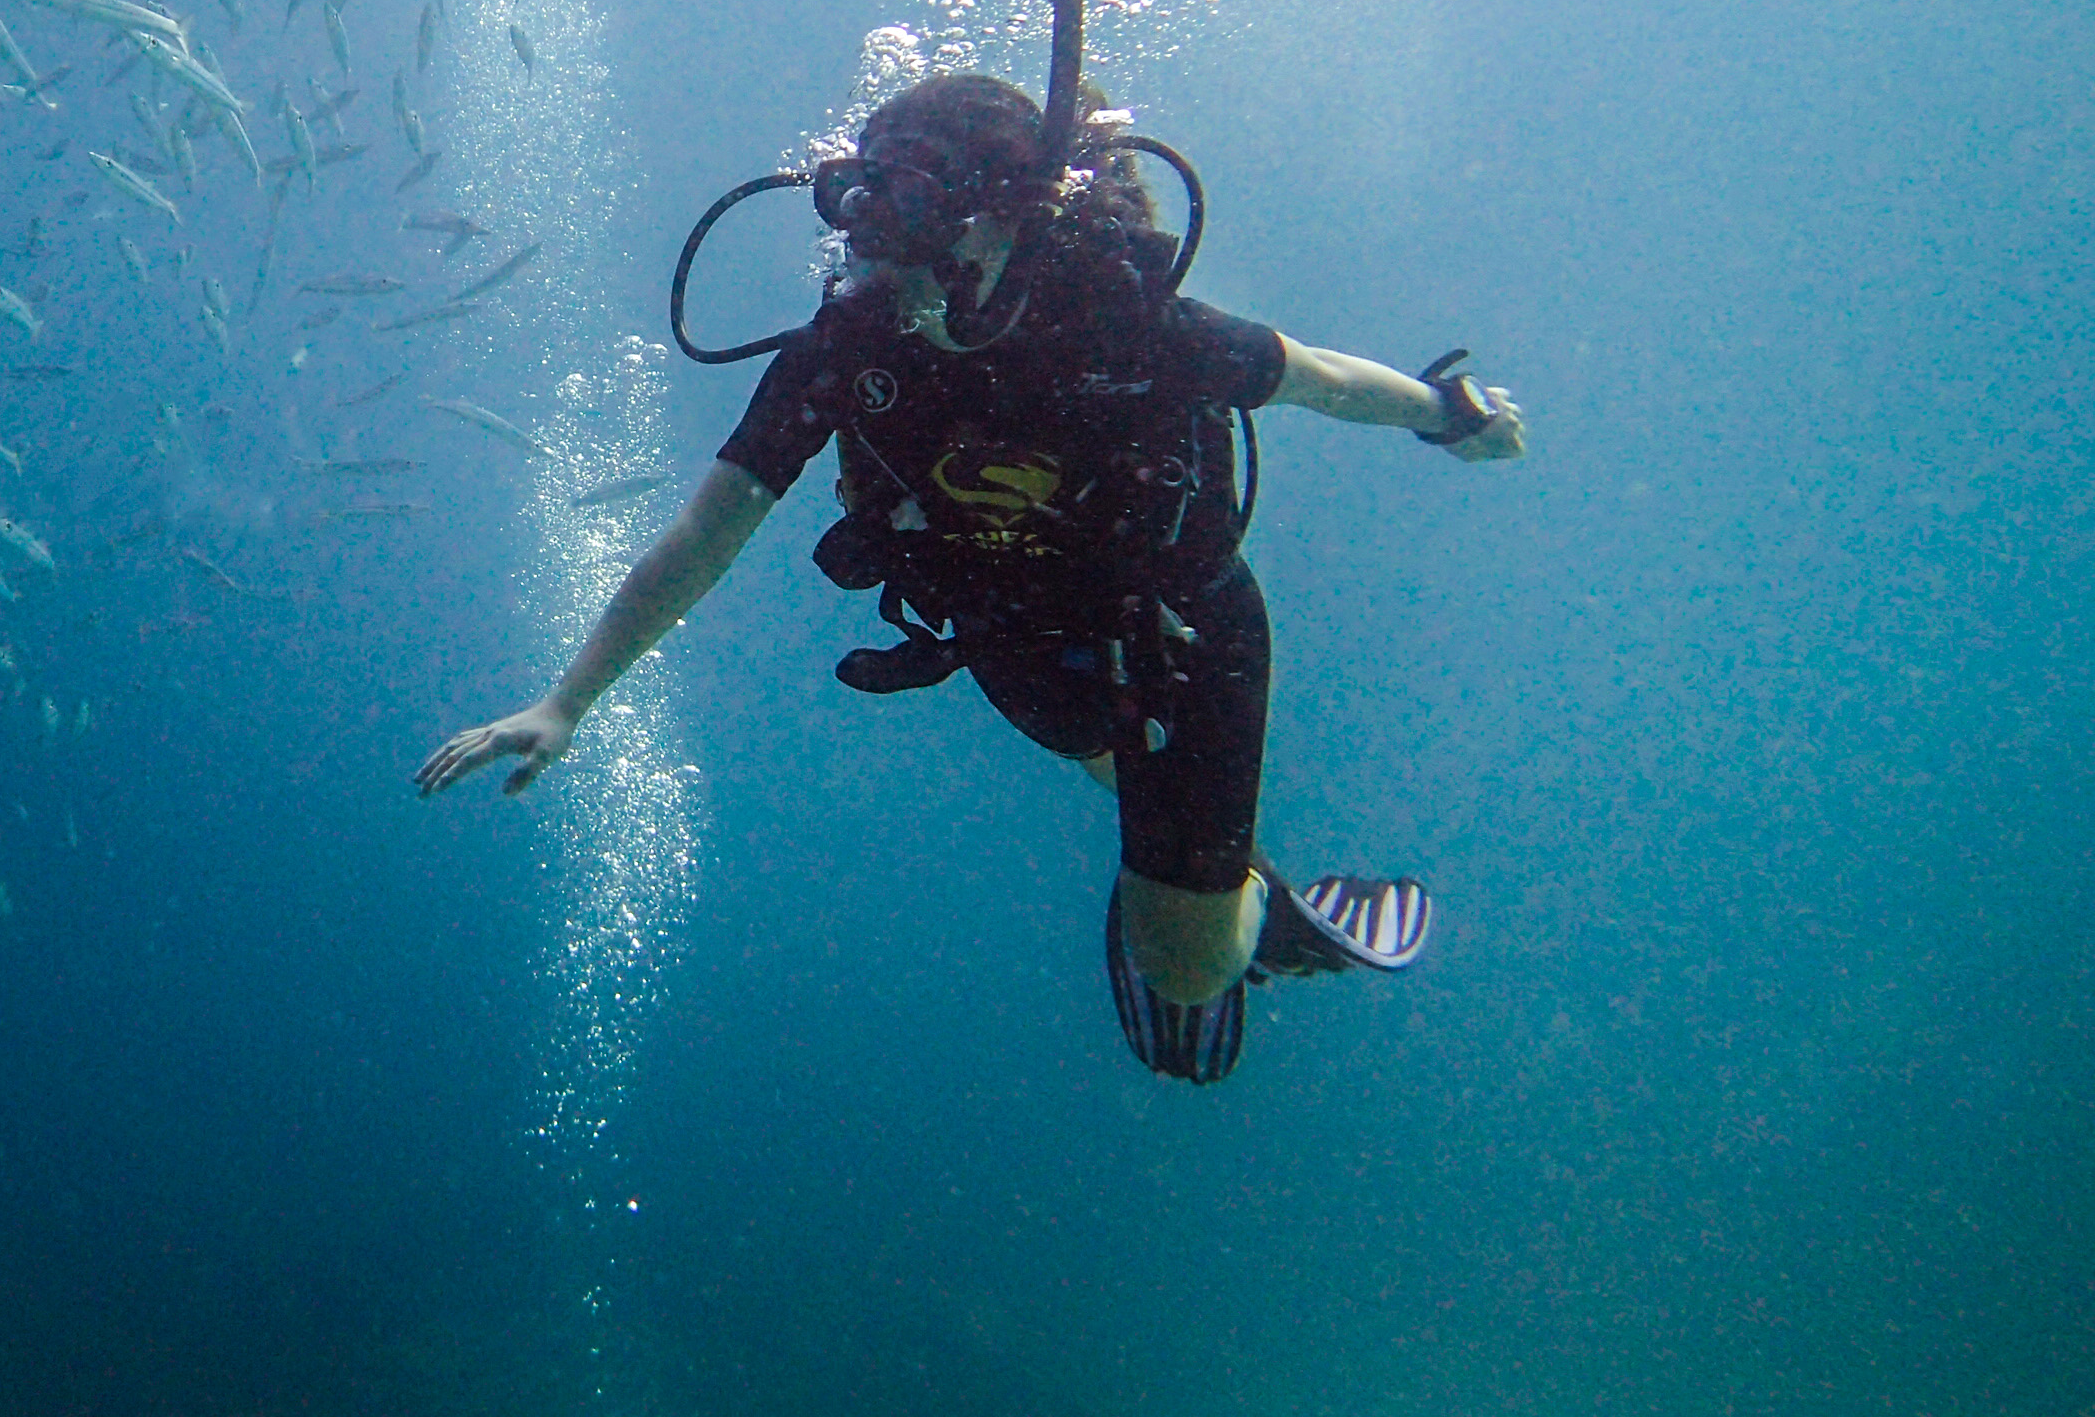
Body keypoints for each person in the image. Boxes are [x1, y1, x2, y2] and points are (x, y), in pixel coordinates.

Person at [417, 63, 1525, 1084]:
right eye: (864, 211)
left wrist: (1447, 411)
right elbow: (706, 535)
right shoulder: (847, 348)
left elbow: (1322, 378)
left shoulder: (1132, 324)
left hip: (1180, 640)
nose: (881, 260)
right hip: (1008, 642)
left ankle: (1238, 909)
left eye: (917, 216)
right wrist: (568, 700)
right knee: (1136, 801)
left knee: (1184, 971)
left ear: (1013, 214)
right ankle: (1227, 877)